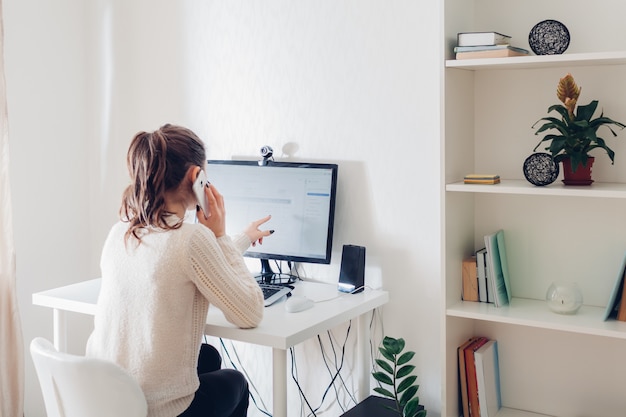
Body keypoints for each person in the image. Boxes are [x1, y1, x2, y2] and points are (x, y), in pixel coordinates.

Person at [86, 124, 271, 417]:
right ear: (196, 176)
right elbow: (250, 312)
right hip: (157, 410)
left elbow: (198, 266)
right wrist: (219, 236)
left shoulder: (120, 231)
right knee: (236, 383)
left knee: (207, 357)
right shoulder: (192, 239)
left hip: (110, 401)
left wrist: (242, 238)